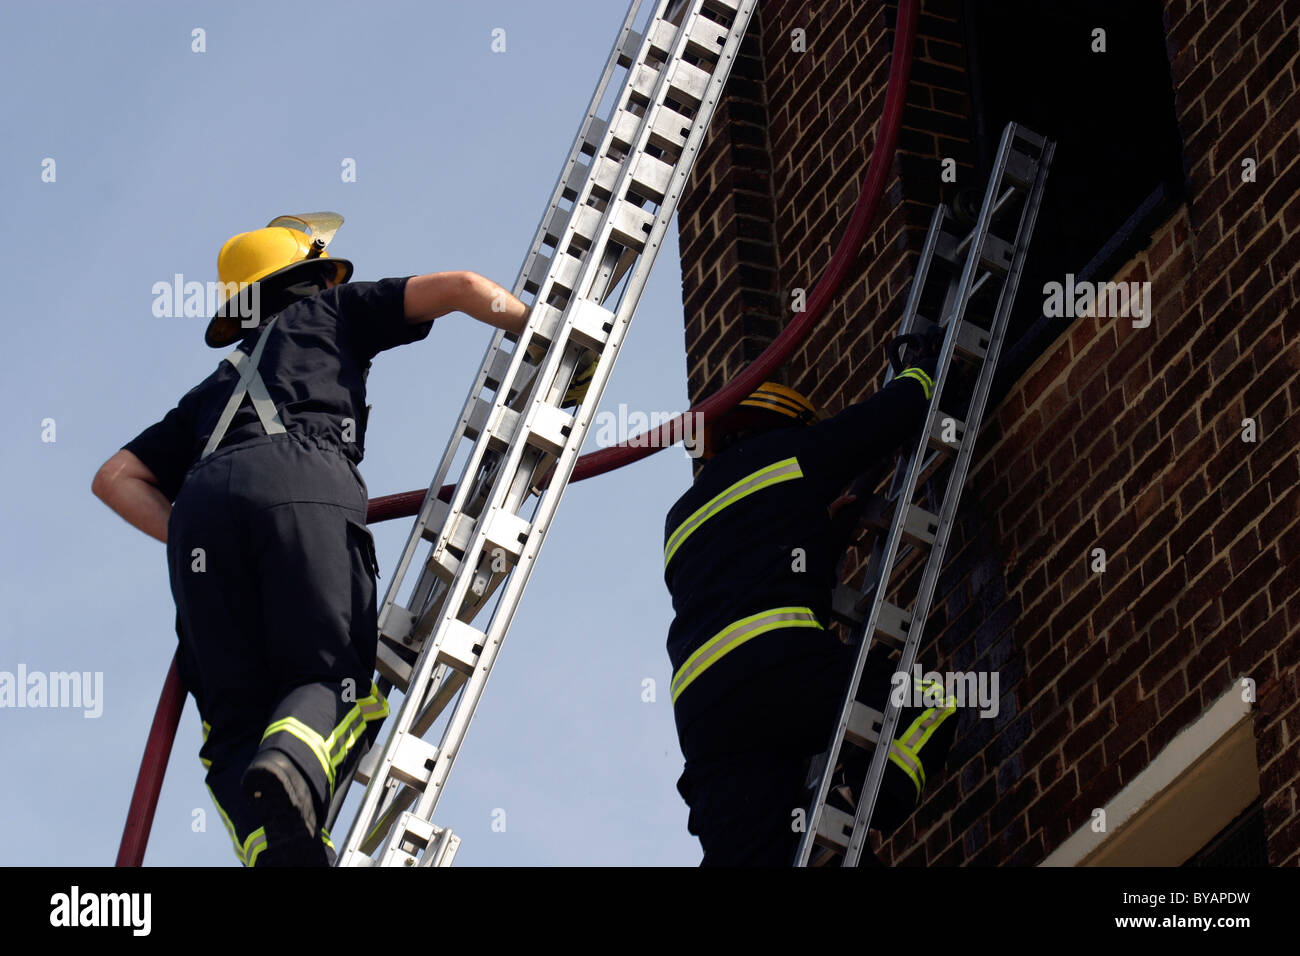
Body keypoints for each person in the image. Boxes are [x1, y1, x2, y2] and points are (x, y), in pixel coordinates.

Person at [92, 212, 530, 866]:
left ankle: (281, 851)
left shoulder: (207, 396)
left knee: (233, 725)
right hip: (303, 479)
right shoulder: (333, 312)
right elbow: (465, 286)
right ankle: (292, 763)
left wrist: (190, 535)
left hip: (200, 516)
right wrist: (541, 335)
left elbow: (114, 477)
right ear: (316, 276)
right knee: (331, 674)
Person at [662, 336, 957, 865]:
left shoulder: (680, 520)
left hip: (703, 714)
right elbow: (877, 424)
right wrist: (922, 375)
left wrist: (825, 530)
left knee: (755, 854)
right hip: (777, 663)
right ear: (783, 422)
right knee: (929, 701)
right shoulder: (789, 454)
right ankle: (861, 793)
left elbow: (747, 565)